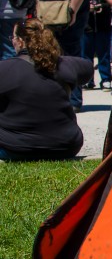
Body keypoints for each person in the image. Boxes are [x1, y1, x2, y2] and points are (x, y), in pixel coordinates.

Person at [0, 18, 92, 161]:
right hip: (66, 146)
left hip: (16, 148)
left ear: (20, 41)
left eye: (13, 37)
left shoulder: (5, 69)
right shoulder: (65, 65)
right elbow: (87, 68)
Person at [81, 0, 112, 91]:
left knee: (103, 53)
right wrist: (86, 7)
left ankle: (105, 79)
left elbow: (111, 2)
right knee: (86, 55)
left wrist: (102, 6)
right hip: (86, 25)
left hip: (102, 24)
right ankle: (88, 80)